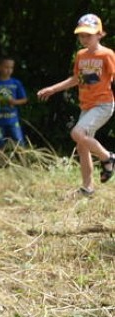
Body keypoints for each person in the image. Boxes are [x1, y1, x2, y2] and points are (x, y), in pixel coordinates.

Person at [37, 13, 115, 196]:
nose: (84, 38)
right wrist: (53, 89)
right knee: (82, 146)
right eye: (81, 35)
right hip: (86, 106)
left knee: (77, 133)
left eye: (89, 35)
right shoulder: (80, 55)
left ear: (100, 34)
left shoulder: (107, 54)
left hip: (103, 104)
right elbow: (76, 79)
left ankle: (108, 157)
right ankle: (87, 188)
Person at [0, 56, 28, 149]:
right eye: (6, 67)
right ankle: (1, 162)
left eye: (11, 68)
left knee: (19, 142)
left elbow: (24, 99)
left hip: (13, 119)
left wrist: (14, 102)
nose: (9, 70)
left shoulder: (16, 83)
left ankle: (23, 161)